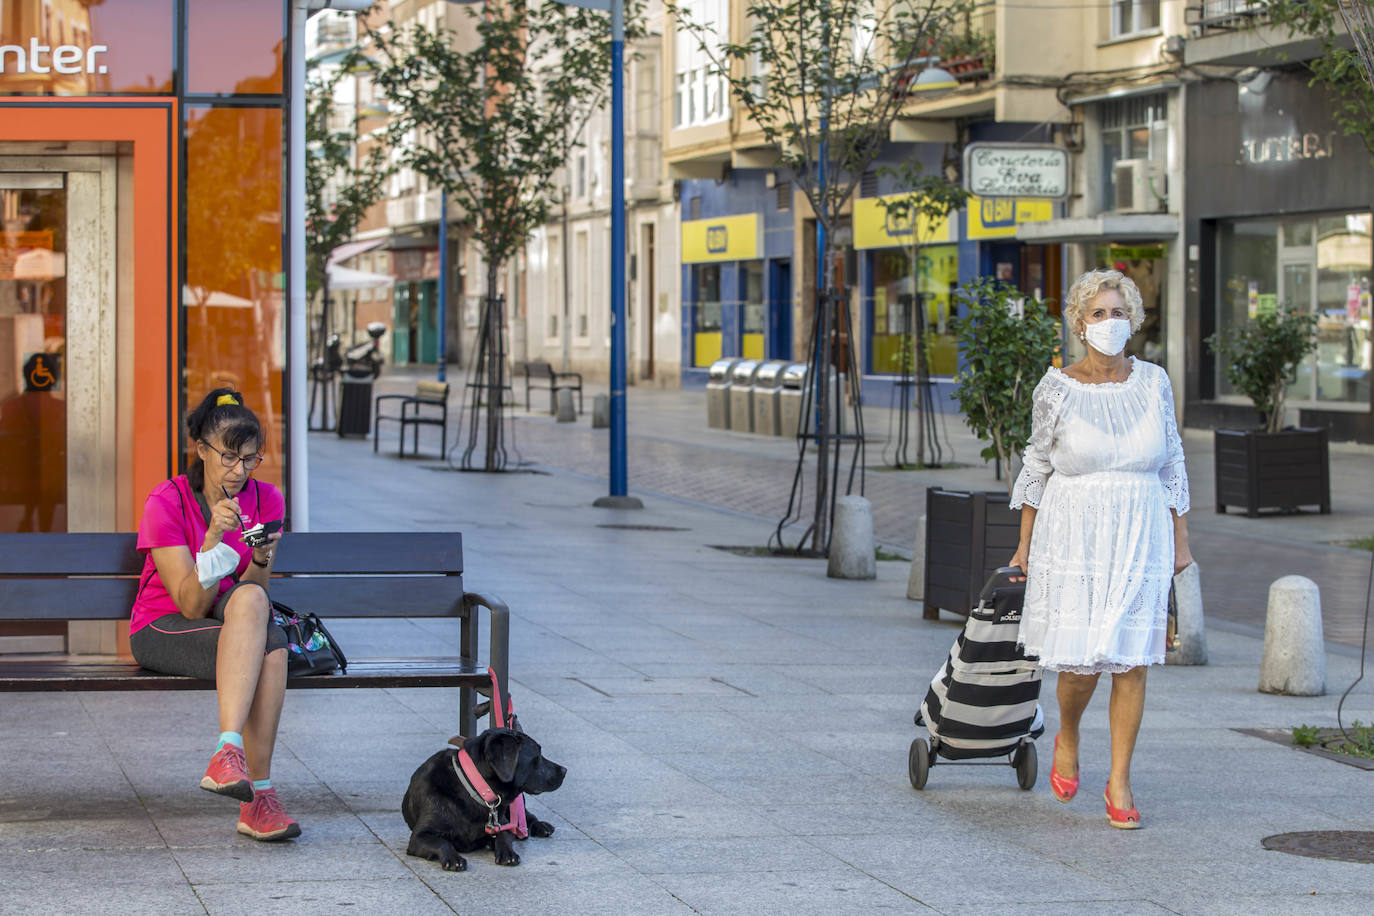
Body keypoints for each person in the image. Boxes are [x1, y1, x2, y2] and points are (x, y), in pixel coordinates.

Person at [1008, 269, 1192, 830]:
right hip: (1075, 537)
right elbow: (1037, 468)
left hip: (1142, 533)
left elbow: (1172, 461)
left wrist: (1182, 542)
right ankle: (1068, 734)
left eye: (1118, 313)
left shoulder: (1155, 382)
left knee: (1132, 661)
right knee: (1082, 666)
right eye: (1097, 314)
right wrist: (1024, 546)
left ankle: (1119, 781)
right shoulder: (1056, 388)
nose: (1109, 323)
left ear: (1132, 320)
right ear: (1079, 325)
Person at [129, 388, 298, 841]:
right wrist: (211, 541)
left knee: (267, 631)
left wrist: (261, 558)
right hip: (164, 626)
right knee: (271, 648)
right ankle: (257, 796)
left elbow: (253, 594)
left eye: (249, 459)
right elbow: (189, 605)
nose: (239, 471)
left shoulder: (268, 501)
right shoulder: (167, 501)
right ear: (201, 450)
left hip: (231, 622)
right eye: (228, 457)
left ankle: (232, 760)